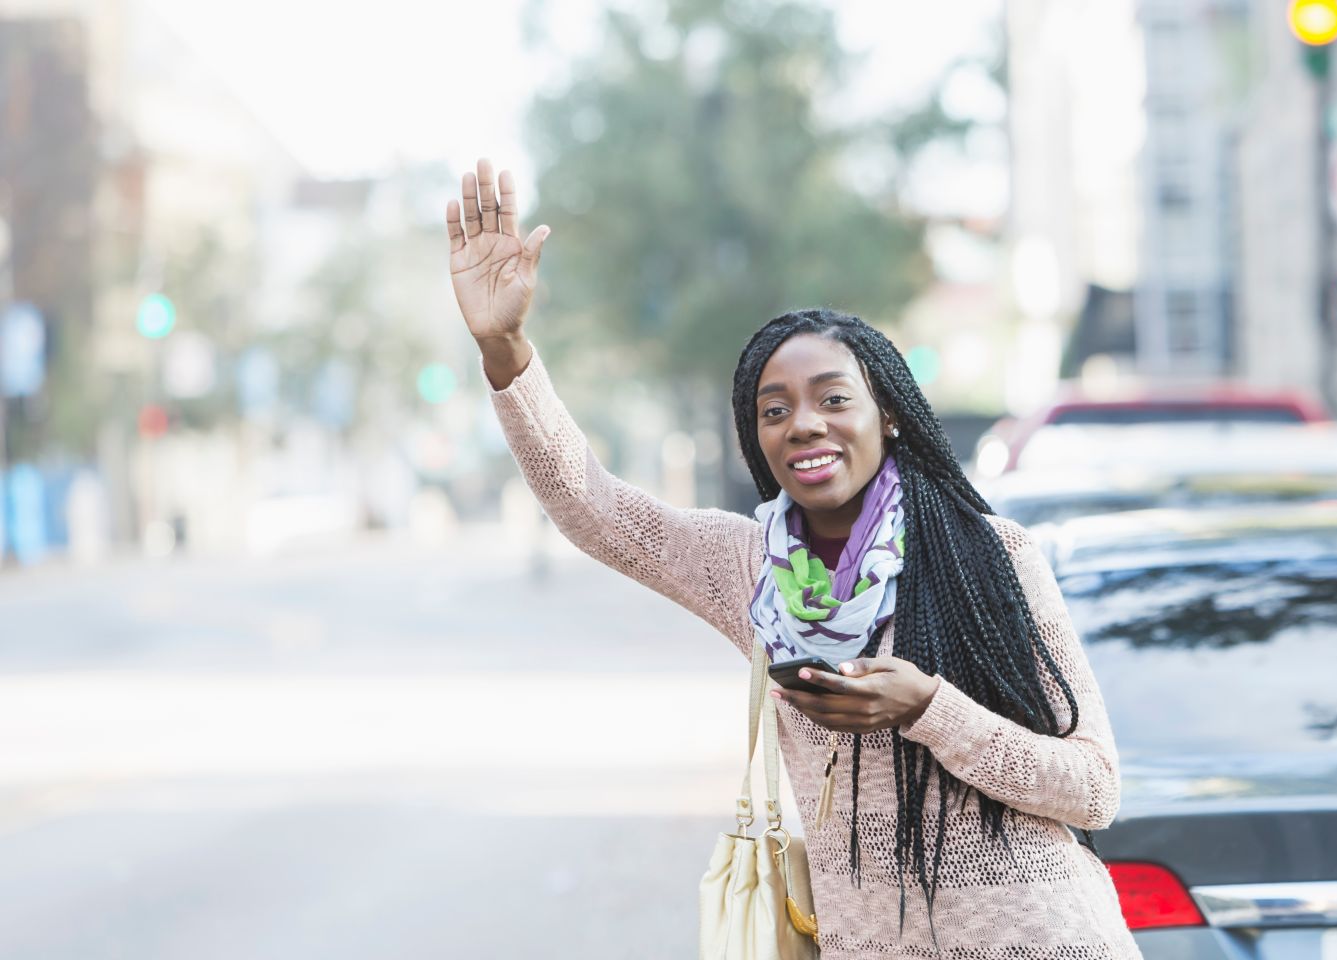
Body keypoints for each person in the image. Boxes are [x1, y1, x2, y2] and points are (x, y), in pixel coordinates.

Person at [445, 158, 1139, 959]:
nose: (804, 423)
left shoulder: (991, 555)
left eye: (834, 399)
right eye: (774, 410)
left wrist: (926, 707)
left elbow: (1094, 789)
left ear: (889, 416)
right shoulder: (747, 566)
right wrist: (505, 348)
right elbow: (593, 508)